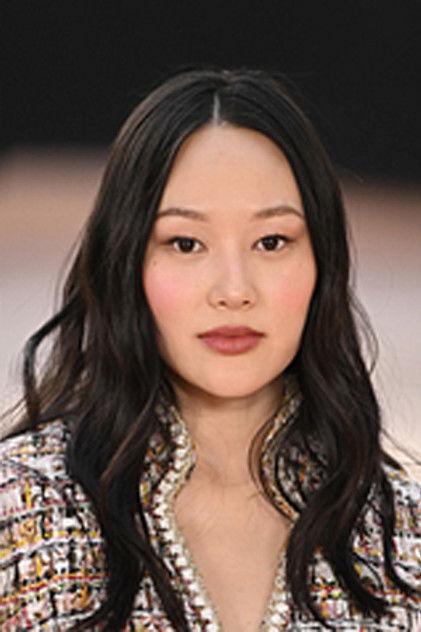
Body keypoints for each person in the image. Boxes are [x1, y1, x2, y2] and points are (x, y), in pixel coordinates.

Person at [0, 66, 419, 632]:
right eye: (185, 243)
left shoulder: (401, 536)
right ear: (125, 261)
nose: (234, 290)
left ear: (323, 262)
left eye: (272, 241)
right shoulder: (24, 508)